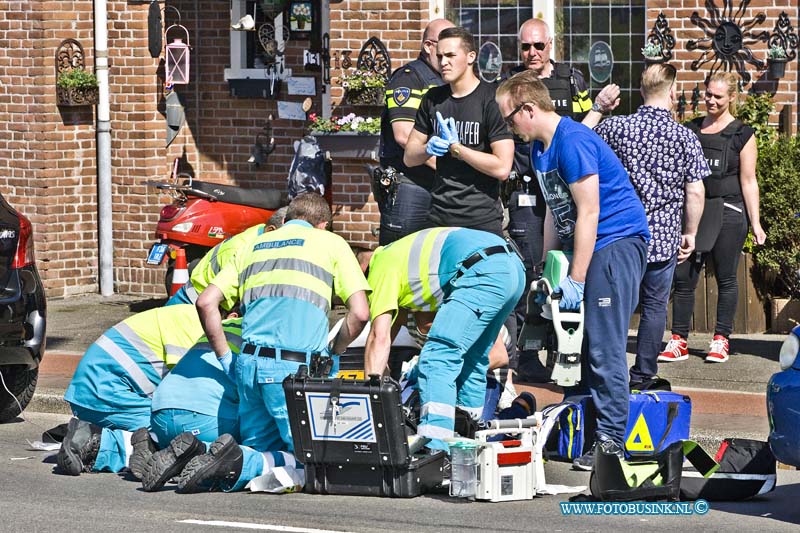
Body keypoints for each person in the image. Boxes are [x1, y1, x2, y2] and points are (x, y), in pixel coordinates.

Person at [496, 71, 650, 469]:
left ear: (528, 109)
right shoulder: (543, 149)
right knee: (578, 348)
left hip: (615, 243)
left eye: (509, 118)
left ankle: (613, 442)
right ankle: (588, 432)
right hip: (585, 247)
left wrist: (578, 279)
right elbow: (553, 212)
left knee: (604, 346)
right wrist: (547, 273)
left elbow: (589, 211)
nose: (508, 127)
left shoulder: (574, 142)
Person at [169, 192, 370, 493]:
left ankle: (208, 459)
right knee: (312, 461)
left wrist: (226, 359)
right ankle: (231, 462)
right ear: (324, 225)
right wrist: (335, 350)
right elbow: (360, 313)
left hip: (248, 364)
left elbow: (206, 302)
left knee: (261, 453)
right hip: (294, 369)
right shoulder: (331, 244)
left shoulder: (253, 245)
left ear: (287, 219)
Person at [507, 17, 621, 383]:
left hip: (565, 192)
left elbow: (574, 133)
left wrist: (599, 109)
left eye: (538, 46)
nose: (532, 53)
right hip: (529, 191)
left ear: (550, 45)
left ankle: (564, 354)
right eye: (525, 47)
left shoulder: (573, 80)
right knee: (535, 273)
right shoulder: (511, 87)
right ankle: (527, 358)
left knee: (569, 276)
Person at [594, 63, 708, 388]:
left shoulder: (617, 128)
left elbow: (583, 140)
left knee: (615, 307)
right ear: (672, 93)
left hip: (621, 234)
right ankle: (643, 375)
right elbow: (696, 190)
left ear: (642, 91)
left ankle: (609, 375)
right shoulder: (685, 137)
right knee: (655, 306)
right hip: (663, 236)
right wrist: (691, 232)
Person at [363, 227, 525, 451]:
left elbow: (378, 339)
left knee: (436, 358)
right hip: (512, 267)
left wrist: (370, 406)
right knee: (473, 359)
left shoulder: (380, 267)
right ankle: (467, 445)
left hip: (485, 269)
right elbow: (385, 344)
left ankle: (436, 448)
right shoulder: (401, 263)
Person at [662, 72, 766, 364]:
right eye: (708, 94)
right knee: (684, 278)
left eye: (717, 96)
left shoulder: (742, 134)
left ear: (731, 97)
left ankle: (721, 339)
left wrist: (756, 222)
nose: (710, 100)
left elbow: (749, 181)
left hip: (730, 212)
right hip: (694, 211)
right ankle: (678, 340)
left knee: (726, 277)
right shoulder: (691, 129)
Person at [56, 304, 204, 476]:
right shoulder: (193, 326)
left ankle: (89, 434)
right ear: (231, 316)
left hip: (95, 390)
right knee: (173, 430)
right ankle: (96, 443)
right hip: (104, 391)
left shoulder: (185, 313)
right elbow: (188, 392)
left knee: (173, 430)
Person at [404, 26, 514, 237]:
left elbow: (502, 168)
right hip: (439, 216)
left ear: (471, 56)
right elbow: (409, 157)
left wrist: (459, 150)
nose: (443, 62)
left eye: (451, 55)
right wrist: (428, 148)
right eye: (440, 56)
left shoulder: (491, 100)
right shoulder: (432, 99)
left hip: (481, 219)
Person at [377, 18, 454, 245]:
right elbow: (403, 135)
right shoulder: (409, 78)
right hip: (410, 185)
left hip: (437, 185)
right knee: (399, 255)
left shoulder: (444, 81)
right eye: (445, 45)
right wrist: (450, 169)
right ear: (429, 46)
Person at [166, 207, 287, 306]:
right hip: (191, 306)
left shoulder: (261, 233)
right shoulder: (243, 249)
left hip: (205, 303)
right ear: (270, 230)